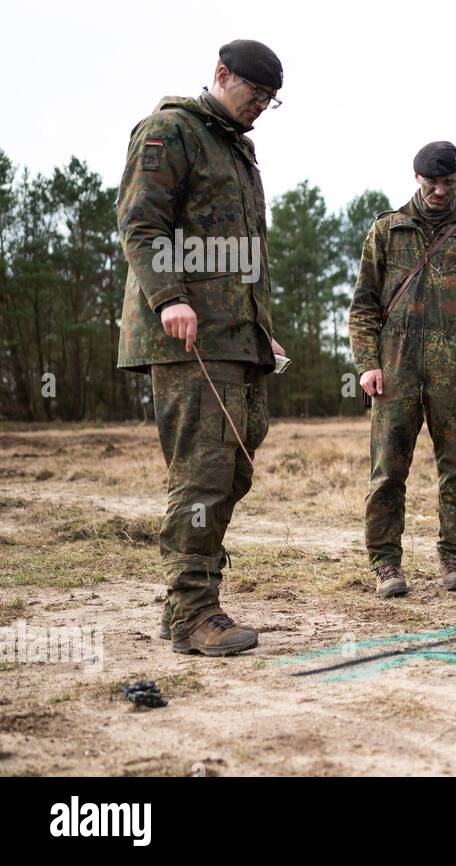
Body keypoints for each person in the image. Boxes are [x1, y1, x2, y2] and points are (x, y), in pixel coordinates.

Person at [116, 39, 285, 655]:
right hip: (187, 338)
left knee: (235, 465)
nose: (261, 107)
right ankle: (193, 611)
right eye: (255, 94)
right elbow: (140, 221)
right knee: (204, 471)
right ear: (221, 75)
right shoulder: (171, 131)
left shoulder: (237, 148)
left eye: (271, 101)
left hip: (235, 337)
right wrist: (168, 298)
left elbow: (240, 255)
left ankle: (185, 601)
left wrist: (258, 323)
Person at [348, 142, 456, 598]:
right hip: (394, 369)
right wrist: (366, 364)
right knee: (387, 471)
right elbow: (363, 306)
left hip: (455, 371)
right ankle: (385, 563)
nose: (439, 191)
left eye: (448, 182)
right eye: (430, 182)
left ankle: (454, 555)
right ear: (416, 178)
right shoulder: (386, 231)